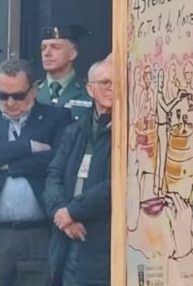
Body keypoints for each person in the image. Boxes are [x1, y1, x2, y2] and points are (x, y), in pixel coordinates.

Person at [0, 58, 73, 286]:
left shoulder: (56, 118)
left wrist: (8, 163)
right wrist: (29, 146)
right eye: (3, 95)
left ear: (34, 90)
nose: (10, 102)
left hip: (39, 233)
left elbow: (57, 160)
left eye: (18, 95)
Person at [44, 60, 113, 286]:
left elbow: (119, 183)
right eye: (105, 82)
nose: (111, 88)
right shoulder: (76, 130)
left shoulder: (131, 131)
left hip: (104, 236)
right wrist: (61, 213)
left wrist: (73, 211)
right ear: (90, 89)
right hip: (68, 234)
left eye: (117, 83)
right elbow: (54, 174)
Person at [37, 26, 91, 120]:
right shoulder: (33, 91)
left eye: (55, 47)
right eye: (43, 48)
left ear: (72, 54)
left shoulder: (89, 91)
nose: (46, 53)